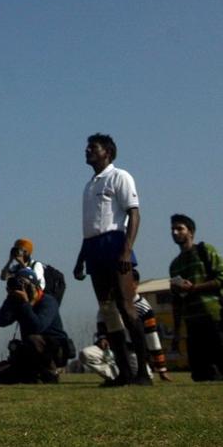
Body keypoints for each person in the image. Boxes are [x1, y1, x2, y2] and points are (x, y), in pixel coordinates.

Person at [74, 133, 151, 386]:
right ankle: (123, 373)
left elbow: (134, 214)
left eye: (93, 147)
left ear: (107, 151)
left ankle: (143, 372)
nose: (87, 150)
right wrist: (81, 259)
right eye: (87, 147)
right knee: (108, 312)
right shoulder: (88, 185)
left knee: (126, 308)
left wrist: (127, 251)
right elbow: (90, 227)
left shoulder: (120, 176)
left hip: (115, 244)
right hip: (94, 248)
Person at [168, 213, 223, 381]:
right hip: (192, 323)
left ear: (191, 232)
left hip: (214, 317)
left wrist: (194, 288)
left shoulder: (205, 251)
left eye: (180, 228)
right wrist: (177, 332)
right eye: (173, 229)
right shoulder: (175, 265)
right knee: (200, 374)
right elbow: (176, 301)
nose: (175, 232)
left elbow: (221, 278)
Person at [0, 268, 70, 384]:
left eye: (25, 284)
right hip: (31, 350)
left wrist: (25, 304)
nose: (22, 288)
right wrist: (10, 298)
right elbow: (2, 321)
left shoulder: (48, 301)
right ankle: (35, 375)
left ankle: (51, 372)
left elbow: (37, 327)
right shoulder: (19, 302)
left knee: (33, 339)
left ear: (35, 286)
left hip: (54, 349)